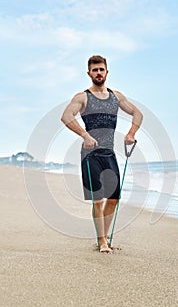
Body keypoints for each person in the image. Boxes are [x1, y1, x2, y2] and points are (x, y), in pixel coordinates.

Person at [61, 55, 143, 253]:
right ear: (89, 73)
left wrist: (131, 134)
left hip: (109, 153)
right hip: (90, 154)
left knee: (113, 198)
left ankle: (104, 236)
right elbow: (65, 116)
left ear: (107, 72)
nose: (98, 73)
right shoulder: (82, 97)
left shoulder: (117, 96)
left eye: (101, 69)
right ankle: (102, 241)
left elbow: (137, 114)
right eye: (95, 70)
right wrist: (85, 135)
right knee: (98, 199)